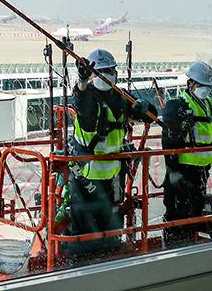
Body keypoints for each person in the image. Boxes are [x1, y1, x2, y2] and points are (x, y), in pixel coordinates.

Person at [65, 49, 156, 262]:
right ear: (92, 75)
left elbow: (153, 115)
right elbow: (81, 102)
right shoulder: (88, 98)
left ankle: (110, 260)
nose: (107, 75)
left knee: (112, 225)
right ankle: (79, 265)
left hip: (114, 174)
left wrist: (145, 108)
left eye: (110, 71)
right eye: (101, 71)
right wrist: (82, 80)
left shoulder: (121, 98)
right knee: (85, 228)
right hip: (86, 176)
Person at [161, 61, 212, 247]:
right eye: (201, 85)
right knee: (178, 214)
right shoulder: (177, 106)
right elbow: (168, 141)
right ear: (190, 83)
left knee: (195, 212)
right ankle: (174, 249)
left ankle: (191, 247)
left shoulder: (207, 104)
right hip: (183, 172)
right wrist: (173, 170)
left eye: (207, 86)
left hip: (201, 171)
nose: (205, 89)